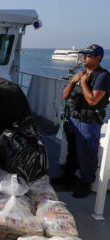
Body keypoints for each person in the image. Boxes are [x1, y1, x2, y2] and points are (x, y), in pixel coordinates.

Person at [52, 44, 110, 198]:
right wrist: (73, 81)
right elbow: (65, 96)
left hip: (89, 122)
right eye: (84, 55)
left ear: (98, 58)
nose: (84, 58)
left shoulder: (102, 77)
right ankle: (69, 177)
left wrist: (83, 82)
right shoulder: (81, 73)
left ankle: (86, 183)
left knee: (87, 153)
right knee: (73, 151)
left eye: (88, 55)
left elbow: (92, 100)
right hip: (74, 119)